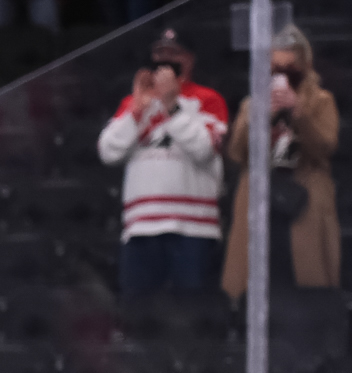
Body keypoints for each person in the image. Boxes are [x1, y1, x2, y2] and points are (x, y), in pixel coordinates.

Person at [97, 36, 227, 298]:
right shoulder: (133, 102)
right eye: (159, 53)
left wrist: (172, 106)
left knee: (191, 313)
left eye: (174, 53)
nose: (165, 59)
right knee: (139, 316)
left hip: (192, 227)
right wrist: (136, 110)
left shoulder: (207, 99)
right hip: (141, 226)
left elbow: (204, 150)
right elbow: (108, 152)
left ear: (189, 59)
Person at [222, 24, 340, 299]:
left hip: (303, 205)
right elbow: (237, 153)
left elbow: (324, 147)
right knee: (257, 288)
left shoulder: (321, 101)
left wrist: (297, 112)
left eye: (290, 68)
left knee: (305, 292)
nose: (282, 75)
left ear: (305, 66)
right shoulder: (252, 104)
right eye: (275, 67)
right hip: (260, 207)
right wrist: (261, 117)